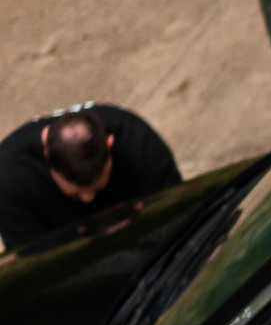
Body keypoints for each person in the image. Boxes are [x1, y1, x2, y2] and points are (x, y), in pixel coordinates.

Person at [0, 104, 180, 249]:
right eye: (75, 194)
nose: (88, 199)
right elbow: (34, 265)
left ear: (110, 144)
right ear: (46, 151)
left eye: (98, 188)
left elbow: (178, 218)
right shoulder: (9, 181)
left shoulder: (139, 144)